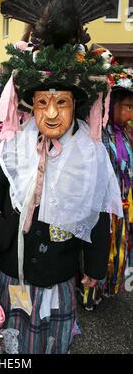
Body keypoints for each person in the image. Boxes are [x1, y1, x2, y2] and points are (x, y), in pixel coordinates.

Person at [0, 0, 123, 354]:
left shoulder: (90, 155)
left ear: (75, 105)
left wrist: (94, 268)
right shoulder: (14, 148)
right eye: (43, 103)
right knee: (13, 349)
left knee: (54, 346)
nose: (53, 113)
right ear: (31, 105)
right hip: (14, 272)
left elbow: (98, 215)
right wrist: (2, 231)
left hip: (60, 276)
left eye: (61, 102)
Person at [81, 72, 133, 309]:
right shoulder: (100, 135)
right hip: (103, 203)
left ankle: (109, 285)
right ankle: (90, 292)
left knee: (118, 246)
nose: (130, 114)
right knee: (100, 246)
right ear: (112, 107)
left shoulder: (126, 134)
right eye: (127, 107)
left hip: (123, 202)